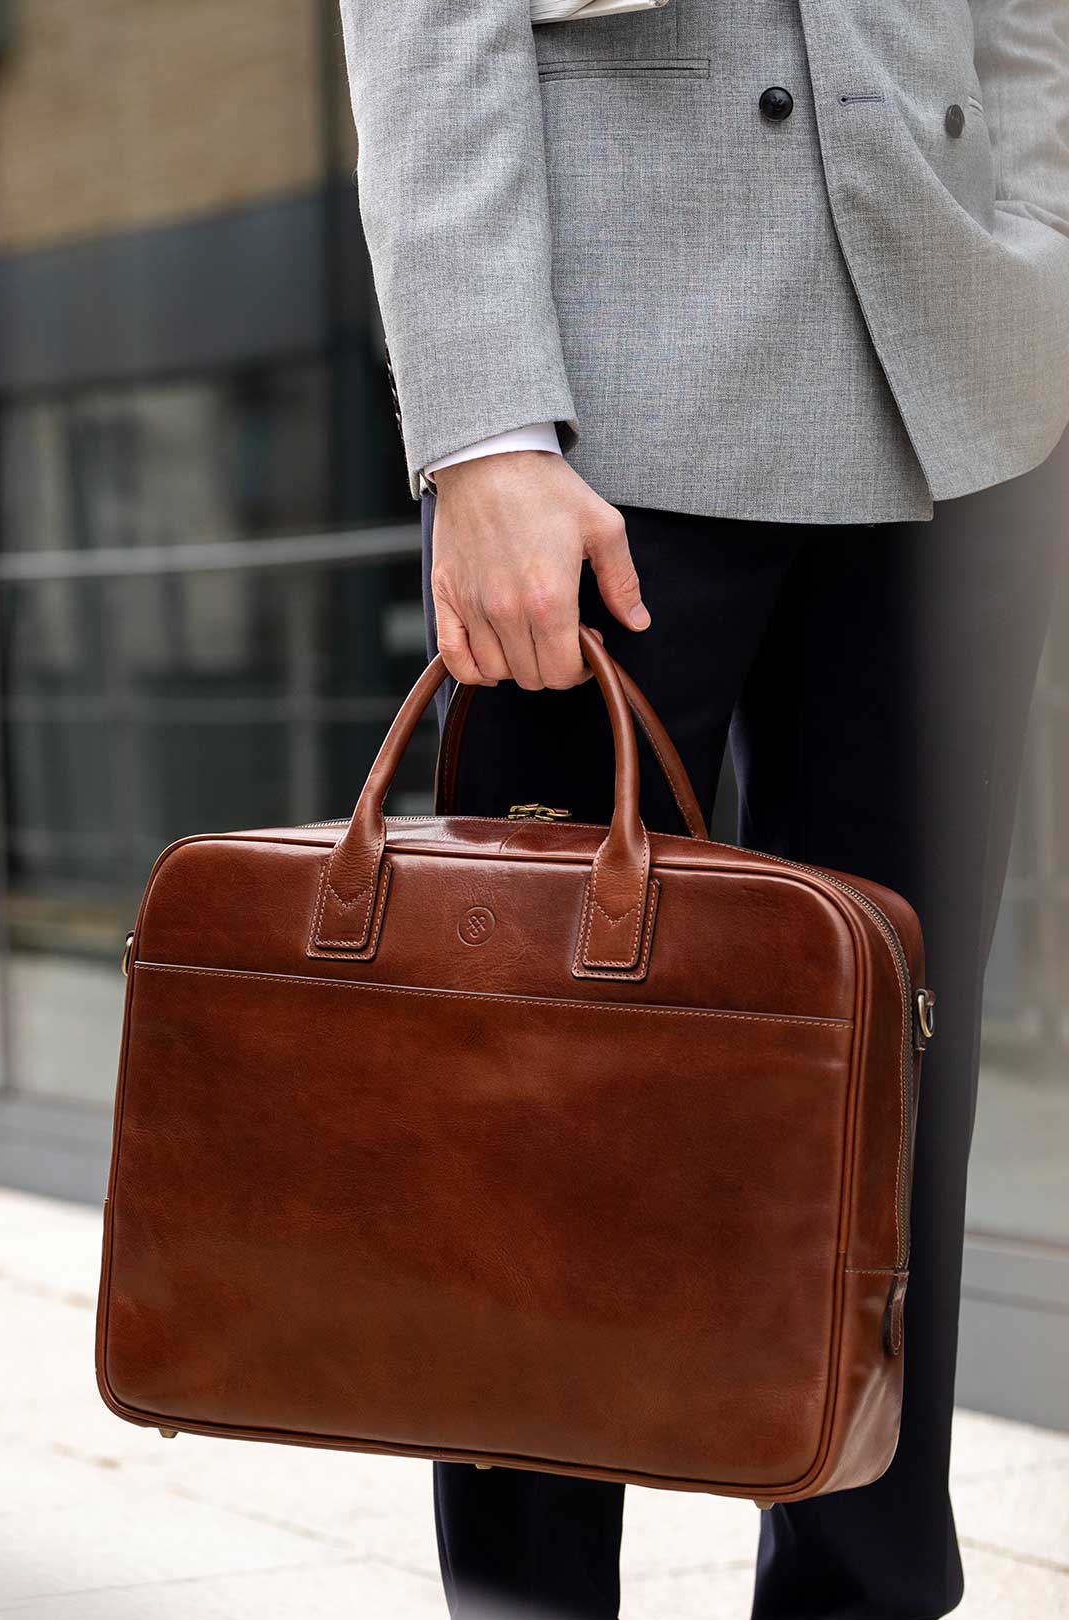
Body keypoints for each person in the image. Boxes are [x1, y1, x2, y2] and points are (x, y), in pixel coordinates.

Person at [340, 3, 1069, 1615]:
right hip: (603, 412)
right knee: (537, 1076)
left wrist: (1046, 254)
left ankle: (866, 1592)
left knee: (899, 1074)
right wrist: (479, 429)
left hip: (965, 386)